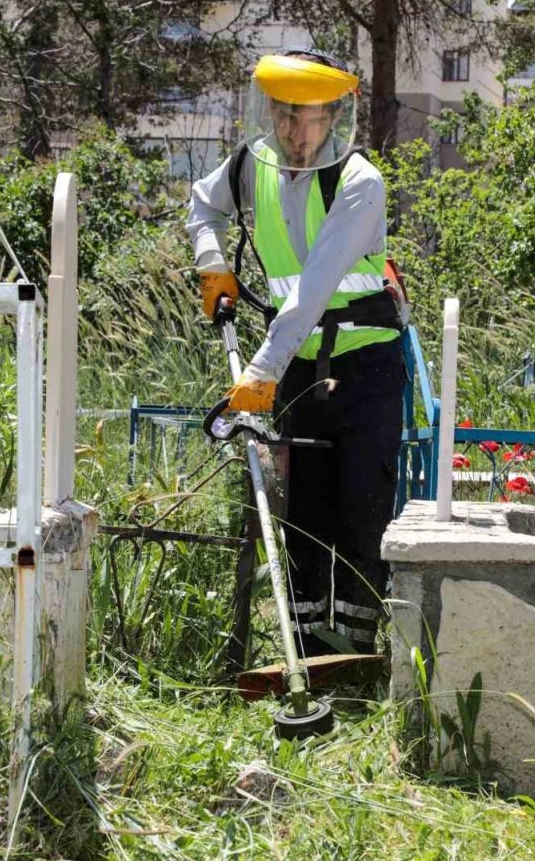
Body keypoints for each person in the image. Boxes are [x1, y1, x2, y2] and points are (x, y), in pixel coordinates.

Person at [185, 48, 406, 656]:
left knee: (361, 509)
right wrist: (213, 266)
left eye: (310, 118)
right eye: (284, 115)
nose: (295, 131)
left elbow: (312, 292)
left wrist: (260, 373)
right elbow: (202, 203)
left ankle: (357, 656)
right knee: (304, 515)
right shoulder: (250, 166)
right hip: (302, 367)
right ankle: (309, 652)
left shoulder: (359, 182)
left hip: (366, 367)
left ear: (335, 117)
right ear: (269, 114)